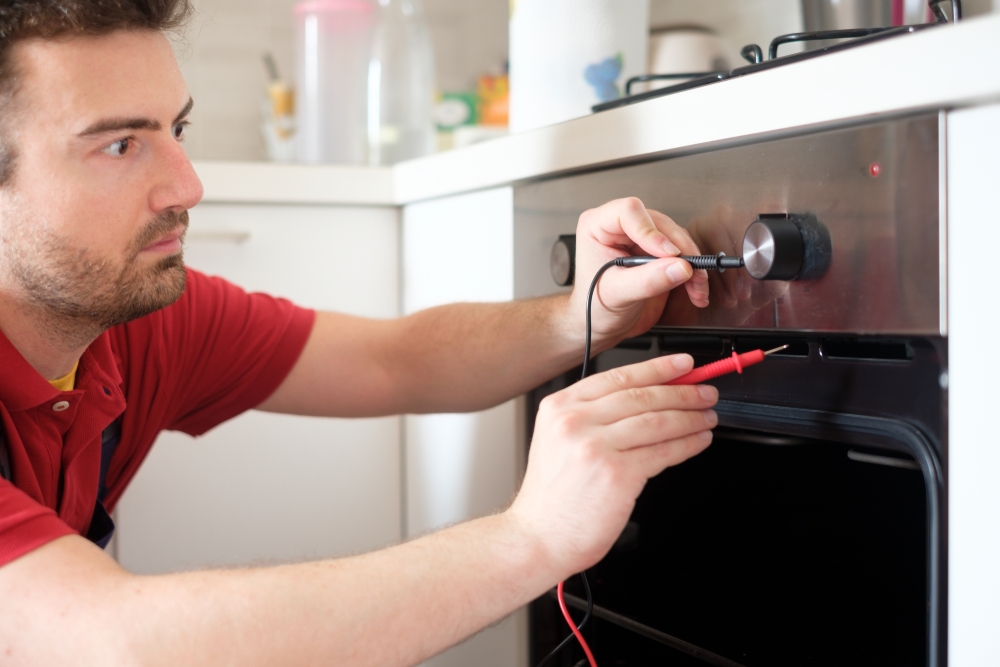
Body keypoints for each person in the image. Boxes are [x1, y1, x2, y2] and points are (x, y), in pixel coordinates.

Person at [0, 1, 718, 664]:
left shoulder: (133, 325)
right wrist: (531, 536)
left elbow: (394, 359)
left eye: (176, 130)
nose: (188, 187)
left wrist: (580, 313)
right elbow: (115, 644)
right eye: (120, 145)